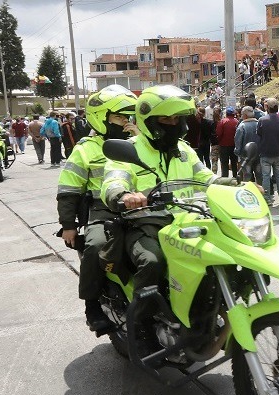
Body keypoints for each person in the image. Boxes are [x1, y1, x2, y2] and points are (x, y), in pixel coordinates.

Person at [100, 85, 236, 321]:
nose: (173, 124)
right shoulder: (130, 149)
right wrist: (123, 195)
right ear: (149, 121)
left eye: (177, 118)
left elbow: (206, 178)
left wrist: (236, 184)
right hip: (144, 224)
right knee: (153, 261)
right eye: (166, 118)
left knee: (225, 251)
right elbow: (114, 180)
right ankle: (142, 322)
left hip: (186, 221)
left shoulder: (184, 150)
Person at [56, 85, 138, 334]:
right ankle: (92, 306)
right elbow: (69, 190)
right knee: (95, 247)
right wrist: (69, 226)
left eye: (128, 117)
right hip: (103, 211)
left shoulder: (139, 142)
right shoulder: (85, 149)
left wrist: (140, 138)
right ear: (101, 118)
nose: (125, 122)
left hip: (141, 206)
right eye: (119, 117)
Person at [256, 98, 279, 206]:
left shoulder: (262, 120)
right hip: (278, 152)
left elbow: (259, 134)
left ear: (268, 108)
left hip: (265, 152)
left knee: (266, 176)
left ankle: (267, 199)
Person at [234, 105, 261, 184]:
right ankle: (261, 193)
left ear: (245, 115)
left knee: (247, 176)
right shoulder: (259, 124)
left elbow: (238, 141)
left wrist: (237, 152)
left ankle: (247, 193)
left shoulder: (242, 126)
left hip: (246, 156)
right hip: (258, 155)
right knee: (259, 175)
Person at [216, 106, 239, 178]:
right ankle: (235, 177)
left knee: (224, 163)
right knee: (234, 163)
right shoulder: (237, 122)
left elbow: (218, 133)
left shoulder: (222, 121)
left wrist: (219, 141)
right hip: (234, 146)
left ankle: (225, 178)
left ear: (226, 113)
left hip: (223, 146)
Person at [209, 106, 221, 174]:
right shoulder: (222, 122)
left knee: (214, 162)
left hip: (214, 145)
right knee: (223, 162)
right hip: (222, 144)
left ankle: (214, 176)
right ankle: (224, 176)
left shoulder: (211, 123)